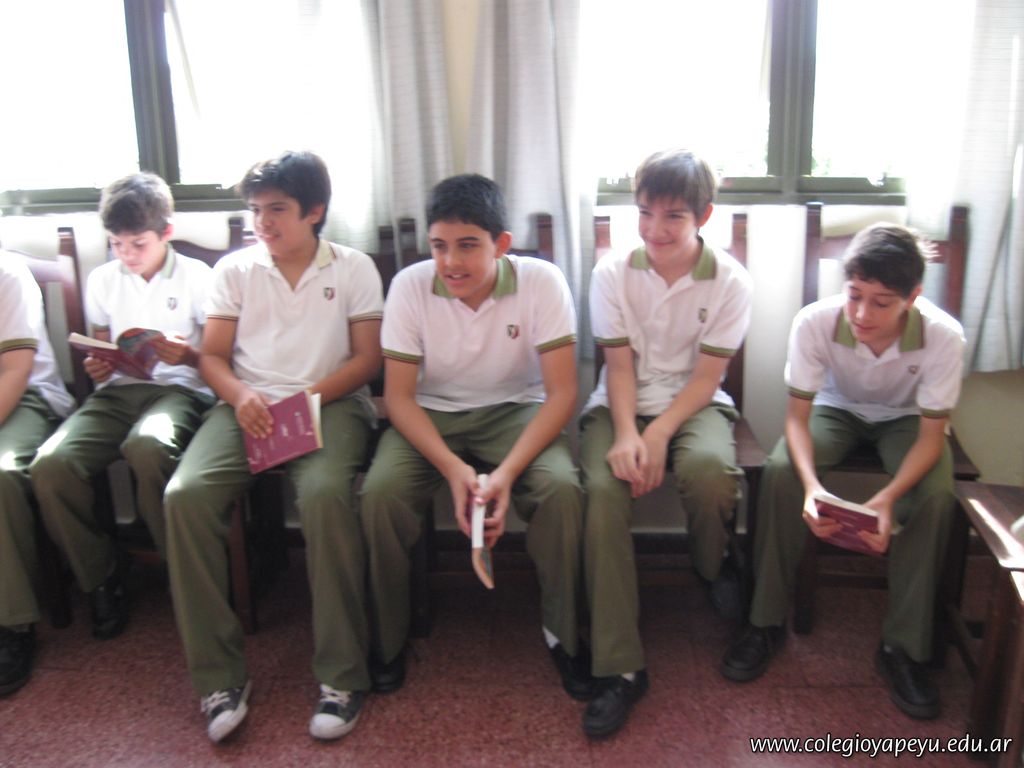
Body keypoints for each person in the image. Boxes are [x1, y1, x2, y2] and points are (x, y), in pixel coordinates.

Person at [163, 150, 383, 744]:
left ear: (314, 211)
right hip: (248, 407)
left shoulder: (353, 267)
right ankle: (218, 678)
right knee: (185, 496)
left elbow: (367, 360)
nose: (263, 222)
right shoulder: (234, 270)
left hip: (331, 404)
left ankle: (342, 676)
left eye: (277, 209)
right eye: (256, 210)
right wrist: (240, 396)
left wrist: (304, 401)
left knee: (326, 495)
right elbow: (212, 357)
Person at [359, 173, 590, 705]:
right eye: (439, 246)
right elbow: (399, 398)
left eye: (467, 246)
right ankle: (388, 639)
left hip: (516, 411)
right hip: (430, 415)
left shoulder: (542, 281)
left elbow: (561, 394)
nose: (451, 262)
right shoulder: (410, 286)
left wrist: (505, 475)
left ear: (500, 244)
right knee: (380, 494)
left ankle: (563, 633)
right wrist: (453, 469)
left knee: (560, 490)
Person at [720, 223, 965, 721]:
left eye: (881, 303)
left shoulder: (943, 336)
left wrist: (888, 498)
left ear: (912, 297)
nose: (861, 314)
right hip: (837, 409)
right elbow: (797, 419)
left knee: (936, 497)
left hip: (907, 420)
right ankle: (764, 623)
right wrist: (812, 489)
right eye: (854, 295)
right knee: (781, 473)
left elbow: (932, 436)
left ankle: (902, 648)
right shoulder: (815, 322)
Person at [579, 148, 753, 738]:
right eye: (645, 213)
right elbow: (618, 366)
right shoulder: (611, 273)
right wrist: (630, 433)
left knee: (709, 473)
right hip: (619, 403)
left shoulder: (730, 281)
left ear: (703, 215)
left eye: (673, 216)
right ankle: (620, 666)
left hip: (694, 403)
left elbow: (707, 379)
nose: (655, 229)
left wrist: (658, 433)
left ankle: (713, 564)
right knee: (602, 492)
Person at [30, 172, 213, 640]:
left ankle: (180, 570)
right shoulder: (104, 279)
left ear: (166, 232)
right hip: (116, 392)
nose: (126, 255)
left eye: (138, 244)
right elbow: (103, 345)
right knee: (51, 465)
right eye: (116, 244)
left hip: (179, 391)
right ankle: (101, 574)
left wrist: (187, 355)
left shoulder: (198, 277)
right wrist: (99, 365)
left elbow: (218, 358)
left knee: (147, 447)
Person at [0, 254, 75, 696]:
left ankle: (13, 625)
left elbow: (16, 371)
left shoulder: (7, 276)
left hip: (23, 397)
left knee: (0, 475)